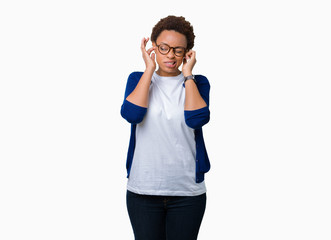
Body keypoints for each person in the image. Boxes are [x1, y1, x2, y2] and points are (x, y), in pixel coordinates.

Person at [120, 15, 211, 240]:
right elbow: (132, 114)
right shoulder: (137, 80)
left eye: (178, 50)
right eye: (164, 47)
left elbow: (196, 119)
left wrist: (188, 75)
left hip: (187, 193)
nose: (170, 54)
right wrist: (149, 69)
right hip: (143, 191)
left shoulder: (198, 83)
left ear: (187, 53)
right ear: (153, 47)